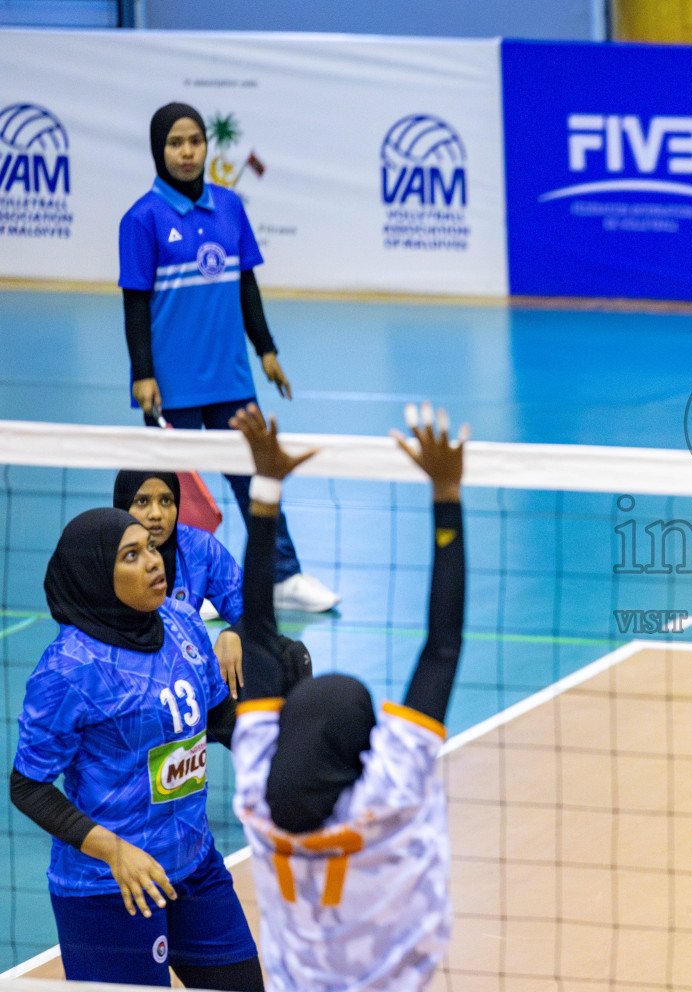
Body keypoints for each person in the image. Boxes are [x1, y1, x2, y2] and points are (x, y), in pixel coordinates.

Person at [229, 401, 467, 992]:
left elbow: (254, 633)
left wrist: (265, 484)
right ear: (360, 748)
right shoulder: (383, 794)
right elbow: (443, 643)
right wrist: (447, 493)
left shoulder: (260, 795)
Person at [8, 508, 262, 989]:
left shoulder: (183, 621)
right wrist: (115, 851)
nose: (153, 562)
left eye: (150, 547)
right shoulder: (69, 669)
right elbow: (28, 786)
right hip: (109, 886)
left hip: (194, 863)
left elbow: (214, 717)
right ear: (98, 576)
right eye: (131, 555)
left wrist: (278, 733)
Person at [119, 100, 339, 613]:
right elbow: (134, 303)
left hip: (232, 379)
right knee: (177, 499)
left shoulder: (231, 207)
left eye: (195, 140)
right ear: (159, 150)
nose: (187, 151)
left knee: (259, 477)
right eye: (175, 142)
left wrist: (266, 349)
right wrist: (144, 373)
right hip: (171, 386)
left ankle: (283, 575)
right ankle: (189, 589)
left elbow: (246, 284)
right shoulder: (142, 219)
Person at [114, 469, 245, 666]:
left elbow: (252, 612)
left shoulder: (199, 548)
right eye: (142, 501)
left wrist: (235, 633)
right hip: (123, 677)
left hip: (187, 673)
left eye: (166, 501)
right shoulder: (104, 555)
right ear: (123, 506)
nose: (156, 514)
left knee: (290, 653)